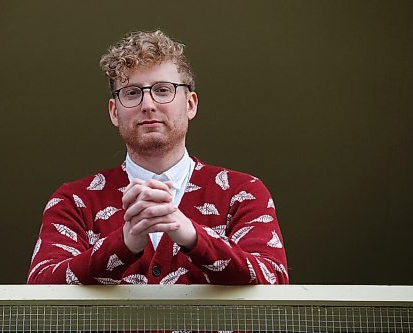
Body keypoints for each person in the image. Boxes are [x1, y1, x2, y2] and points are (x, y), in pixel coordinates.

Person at [27, 30, 288, 285]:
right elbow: (41, 288)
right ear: (114, 112)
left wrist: (192, 234)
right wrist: (125, 242)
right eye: (131, 93)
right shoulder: (74, 201)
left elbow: (273, 278)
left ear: (190, 104)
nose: (148, 104)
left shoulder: (243, 192)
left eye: (163, 90)